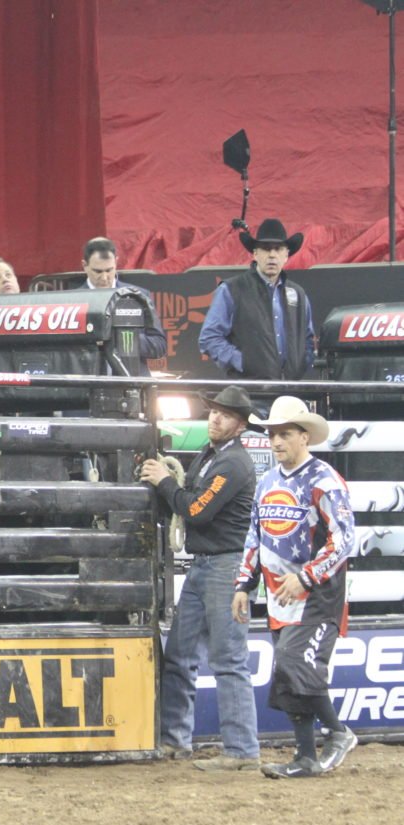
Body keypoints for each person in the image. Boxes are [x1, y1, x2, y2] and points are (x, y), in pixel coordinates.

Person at [234, 396, 356, 778]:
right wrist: (244, 584)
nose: (276, 442)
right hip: (278, 593)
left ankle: (337, 732)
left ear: (304, 437)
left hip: (317, 594)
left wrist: (306, 576)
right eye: (272, 434)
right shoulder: (267, 482)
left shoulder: (324, 480)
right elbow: (255, 537)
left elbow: (344, 538)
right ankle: (305, 756)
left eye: (285, 434)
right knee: (288, 675)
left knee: (294, 662)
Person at [140, 386, 260, 771]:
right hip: (208, 563)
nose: (214, 418)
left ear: (239, 425)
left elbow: (196, 508)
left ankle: (241, 749)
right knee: (180, 653)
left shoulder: (233, 465)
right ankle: (176, 740)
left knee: (227, 658)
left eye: (224, 415)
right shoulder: (215, 456)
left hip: (225, 565)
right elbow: (192, 498)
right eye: (213, 412)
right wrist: (171, 486)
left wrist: (163, 481)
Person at [200, 219, 316, 381]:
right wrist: (243, 363)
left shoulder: (298, 294)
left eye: (278, 249)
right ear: (255, 253)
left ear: (286, 254)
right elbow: (210, 338)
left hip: (289, 392)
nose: (272, 255)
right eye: (266, 248)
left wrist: (300, 365)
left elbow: (308, 339)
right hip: (249, 393)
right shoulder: (232, 289)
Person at [76, 237, 167, 375]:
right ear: (84, 266)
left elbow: (159, 346)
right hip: (88, 384)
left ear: (116, 263)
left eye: (109, 270)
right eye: (98, 272)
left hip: (132, 384)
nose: (105, 277)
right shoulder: (73, 302)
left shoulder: (138, 297)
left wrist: (121, 339)